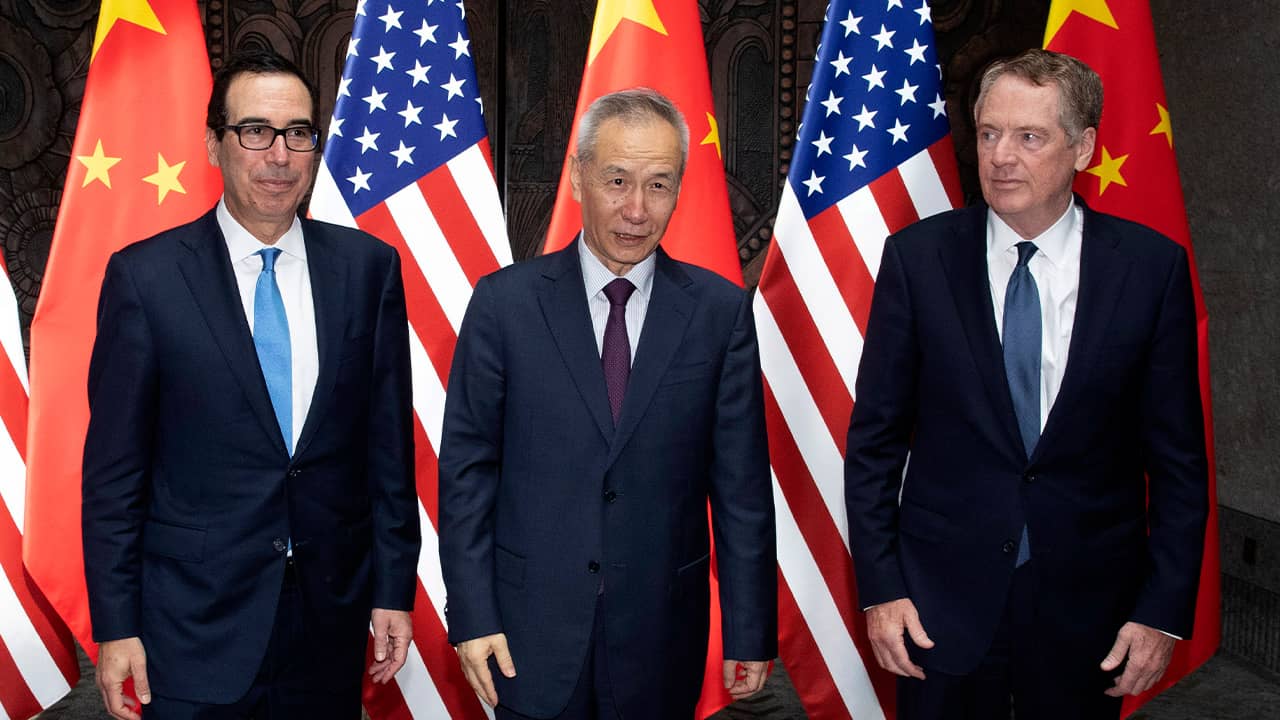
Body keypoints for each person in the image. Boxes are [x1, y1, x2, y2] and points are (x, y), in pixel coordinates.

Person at [844, 49, 1208, 719]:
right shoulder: (918, 260)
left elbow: (1179, 466)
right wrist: (881, 589)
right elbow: (874, 442)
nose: (1001, 156)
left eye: (1029, 137)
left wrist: (1162, 610)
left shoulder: (1150, 270)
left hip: (1090, 612)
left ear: (1084, 148)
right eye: (989, 133)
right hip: (938, 605)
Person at [82, 49, 420, 720]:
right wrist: (116, 626)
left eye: (298, 133)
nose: (279, 155)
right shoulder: (146, 279)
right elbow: (115, 476)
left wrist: (393, 591)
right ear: (214, 144)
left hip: (328, 623)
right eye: (255, 131)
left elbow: (388, 451)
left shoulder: (368, 270)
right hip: (192, 630)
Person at [438, 88, 777, 719]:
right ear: (578, 177)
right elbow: (467, 476)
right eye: (617, 180)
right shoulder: (504, 306)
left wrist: (750, 628)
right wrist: (472, 615)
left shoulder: (718, 312)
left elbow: (742, 489)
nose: (636, 209)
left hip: (661, 637)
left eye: (658, 185)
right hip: (526, 635)